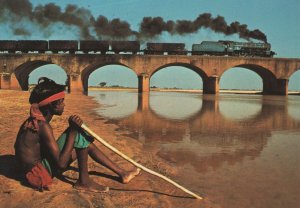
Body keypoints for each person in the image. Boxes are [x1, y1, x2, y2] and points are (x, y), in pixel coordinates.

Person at [14, 77, 140, 192]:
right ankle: (84, 182)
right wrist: (73, 131)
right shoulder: (43, 126)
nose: (64, 105)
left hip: (30, 170)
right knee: (77, 135)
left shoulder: (33, 121)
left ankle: (122, 173)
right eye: (61, 101)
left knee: (81, 139)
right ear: (51, 105)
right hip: (38, 175)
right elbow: (61, 164)